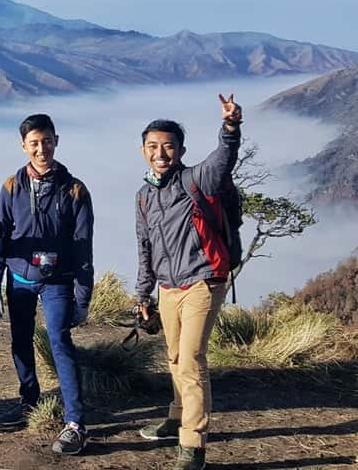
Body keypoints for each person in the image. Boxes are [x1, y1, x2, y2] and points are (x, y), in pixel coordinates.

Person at [134, 94, 243, 470]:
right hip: (167, 287)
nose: (160, 153)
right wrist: (142, 294)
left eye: (168, 146)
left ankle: (193, 446)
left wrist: (230, 127)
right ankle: (177, 414)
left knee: (192, 361)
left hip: (203, 281)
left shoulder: (197, 180)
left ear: (180, 150)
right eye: (152, 146)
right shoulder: (145, 196)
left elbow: (223, 158)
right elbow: (144, 247)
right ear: (142, 150)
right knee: (175, 356)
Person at [0, 113, 94, 455]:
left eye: (47, 141)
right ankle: (29, 400)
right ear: (23, 146)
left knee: (60, 342)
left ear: (56, 141)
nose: (41, 148)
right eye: (34, 142)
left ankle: (75, 422)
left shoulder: (75, 190)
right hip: (18, 278)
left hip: (58, 280)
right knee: (19, 340)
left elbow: (82, 246)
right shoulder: (10, 186)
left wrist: (83, 296)